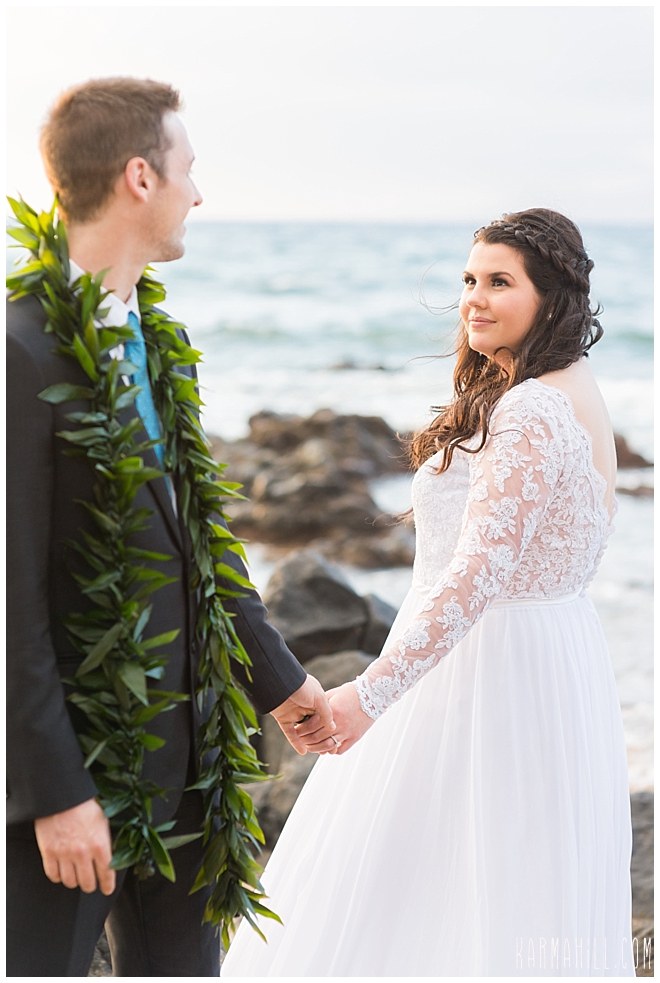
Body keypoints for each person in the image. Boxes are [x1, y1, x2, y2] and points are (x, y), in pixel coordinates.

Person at [222, 208, 636, 977]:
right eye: (469, 279)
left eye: (500, 282)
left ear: (552, 296)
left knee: (398, 895)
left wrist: (369, 694)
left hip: (481, 677)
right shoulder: (575, 388)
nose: (473, 298)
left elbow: (477, 575)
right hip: (553, 667)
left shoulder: (530, 407)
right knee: (499, 896)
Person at [6, 77, 339, 978]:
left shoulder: (152, 341)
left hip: (188, 775)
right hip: (75, 782)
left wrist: (281, 681)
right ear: (140, 177)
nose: (200, 193)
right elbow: (10, 604)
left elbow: (197, 540)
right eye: (189, 169)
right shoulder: (20, 351)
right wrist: (53, 793)